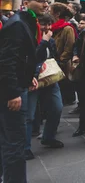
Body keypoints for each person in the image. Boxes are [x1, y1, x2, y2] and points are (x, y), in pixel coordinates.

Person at [0, 0, 49, 181]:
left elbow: (23, 57)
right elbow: (6, 61)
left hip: (20, 84)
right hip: (12, 91)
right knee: (15, 142)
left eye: (47, 1)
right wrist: (13, 93)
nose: (46, 4)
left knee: (9, 139)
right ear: (26, 2)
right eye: (41, 1)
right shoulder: (18, 24)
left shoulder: (25, 22)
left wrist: (30, 77)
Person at [24, 13, 65, 160]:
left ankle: (48, 137)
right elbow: (36, 56)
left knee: (57, 107)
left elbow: (53, 57)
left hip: (49, 79)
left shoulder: (51, 40)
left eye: (49, 25)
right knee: (29, 115)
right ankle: (25, 148)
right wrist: (44, 41)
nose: (47, 28)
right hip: (32, 80)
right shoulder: (31, 39)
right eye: (43, 24)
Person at [50, 3, 77, 105]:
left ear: (57, 14)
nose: (49, 13)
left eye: (50, 11)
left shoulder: (67, 28)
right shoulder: (52, 27)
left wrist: (60, 61)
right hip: (52, 62)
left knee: (63, 85)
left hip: (62, 64)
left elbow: (69, 47)